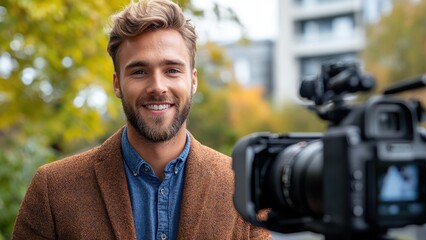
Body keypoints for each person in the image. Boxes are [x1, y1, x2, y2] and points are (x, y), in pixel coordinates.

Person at [12, 0, 271, 239]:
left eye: (172, 70)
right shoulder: (53, 189)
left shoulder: (241, 187)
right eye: (139, 71)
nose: (157, 86)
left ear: (193, 80)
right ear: (117, 84)